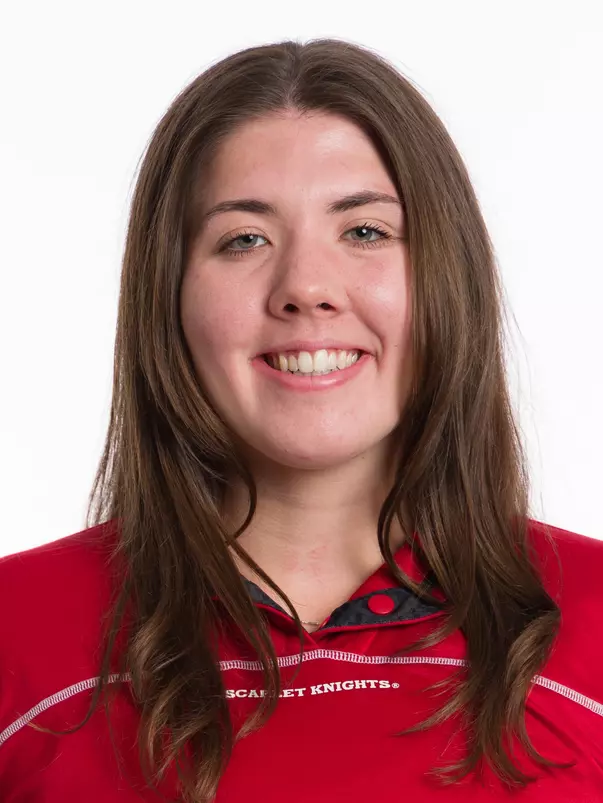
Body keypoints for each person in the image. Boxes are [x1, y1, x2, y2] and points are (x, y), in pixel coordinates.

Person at [1, 37, 602, 803]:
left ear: (448, 278)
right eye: (243, 239)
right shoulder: (12, 634)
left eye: (364, 231)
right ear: (169, 297)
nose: (306, 287)